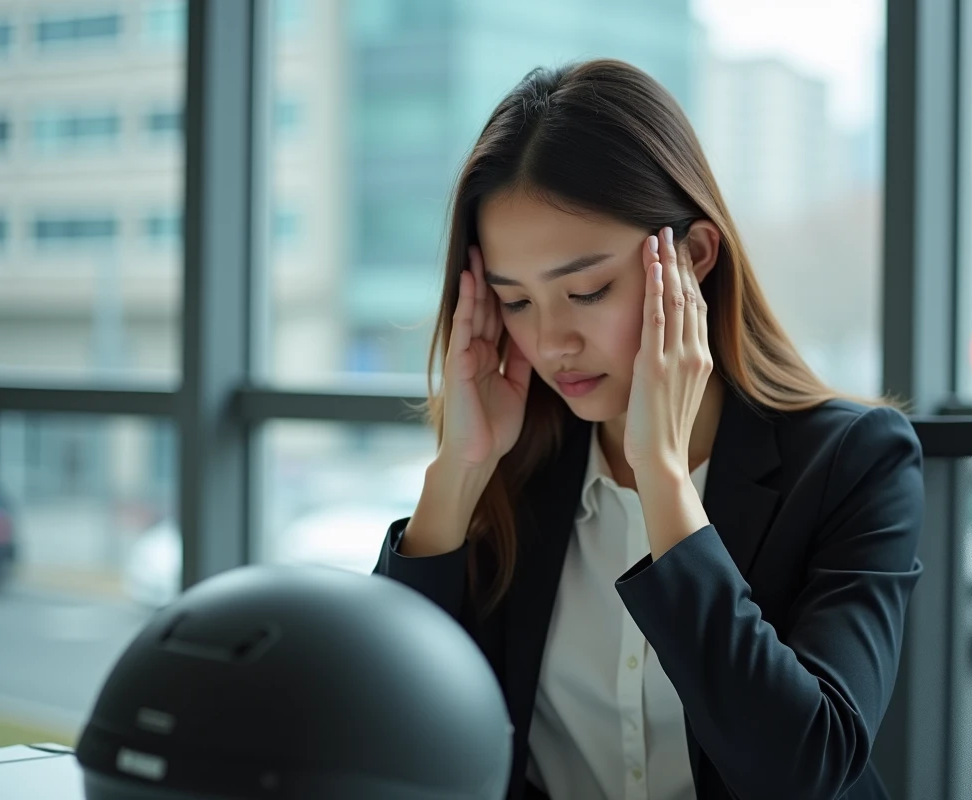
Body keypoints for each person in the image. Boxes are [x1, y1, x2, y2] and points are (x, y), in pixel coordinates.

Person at [374, 58, 924, 800]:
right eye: (516, 302)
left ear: (693, 258)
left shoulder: (855, 462)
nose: (553, 341)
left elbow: (804, 770)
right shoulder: (520, 464)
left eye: (587, 290)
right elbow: (382, 728)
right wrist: (459, 471)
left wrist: (663, 481)